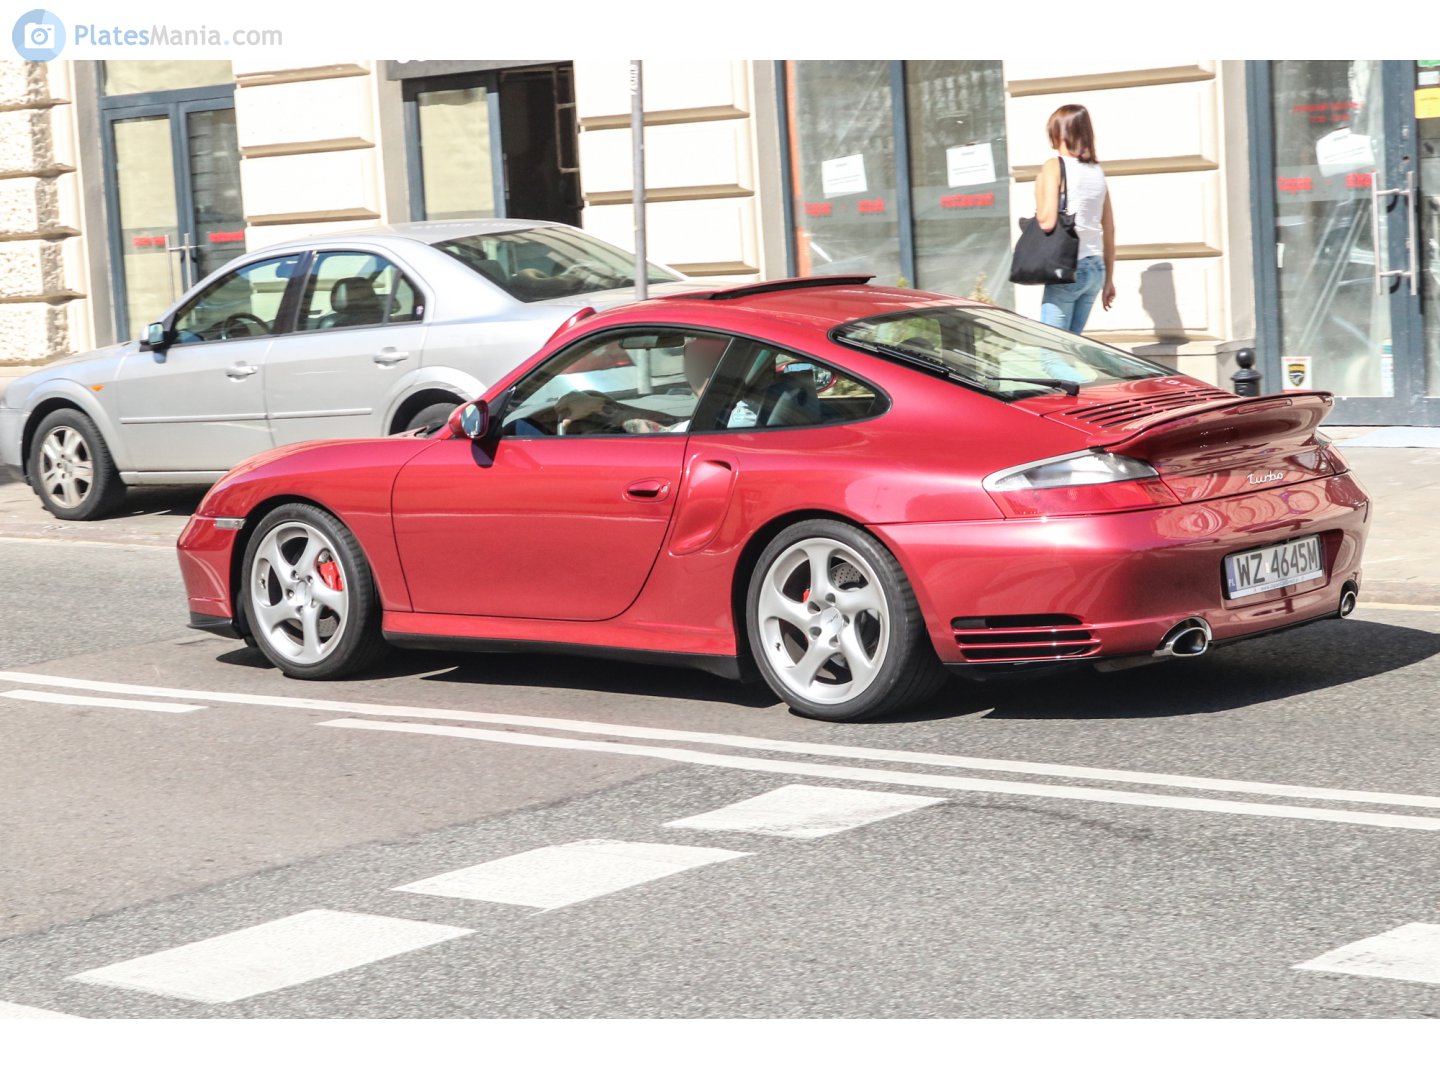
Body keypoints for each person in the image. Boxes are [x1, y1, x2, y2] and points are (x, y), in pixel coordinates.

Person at [555, 336, 757, 434]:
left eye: (692, 354)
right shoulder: (753, 405)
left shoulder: (738, 419)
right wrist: (599, 405)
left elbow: (663, 435)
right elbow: (675, 423)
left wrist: (600, 409)